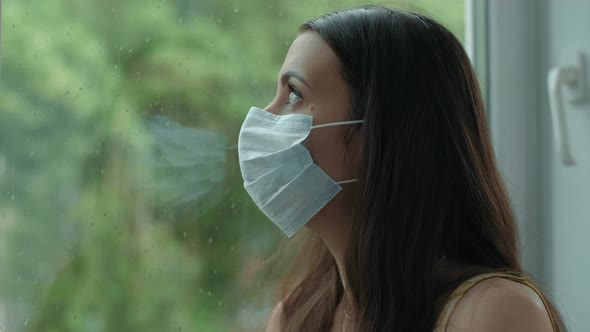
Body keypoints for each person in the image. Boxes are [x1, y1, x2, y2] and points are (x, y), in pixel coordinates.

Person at [237, 5, 567, 332]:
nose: (266, 115)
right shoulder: (296, 316)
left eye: (294, 93)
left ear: (381, 131)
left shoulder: (492, 313)